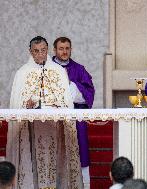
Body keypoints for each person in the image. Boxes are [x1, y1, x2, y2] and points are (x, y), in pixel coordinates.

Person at [7, 36, 83, 188]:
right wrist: (26, 104)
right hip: (32, 127)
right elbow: (17, 102)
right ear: (30, 52)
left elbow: (66, 100)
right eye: (36, 51)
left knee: (56, 160)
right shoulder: (22, 73)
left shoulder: (59, 71)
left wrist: (57, 103)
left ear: (47, 50)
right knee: (34, 159)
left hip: (55, 126)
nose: (40, 54)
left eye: (43, 50)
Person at [52, 37, 95, 186]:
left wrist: (70, 84)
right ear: (55, 50)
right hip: (51, 119)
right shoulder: (46, 68)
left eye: (67, 48)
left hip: (75, 120)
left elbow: (89, 94)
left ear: (71, 49)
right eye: (61, 48)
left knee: (79, 154)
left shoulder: (79, 69)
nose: (64, 51)